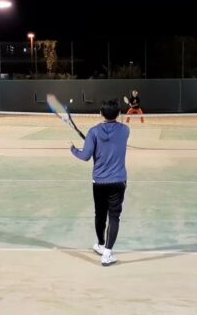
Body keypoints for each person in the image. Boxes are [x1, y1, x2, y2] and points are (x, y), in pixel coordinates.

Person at [70, 98, 130, 266]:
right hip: (118, 180)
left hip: (99, 182)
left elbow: (85, 156)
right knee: (114, 216)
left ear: (100, 113)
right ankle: (107, 253)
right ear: (119, 113)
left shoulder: (93, 132)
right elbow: (112, 140)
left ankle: (101, 245)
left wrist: (73, 149)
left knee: (100, 214)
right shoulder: (125, 130)